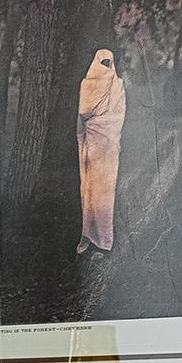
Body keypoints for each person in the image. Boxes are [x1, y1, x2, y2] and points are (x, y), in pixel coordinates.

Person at [75, 47, 126, 253]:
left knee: (105, 191)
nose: (105, 67)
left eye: (108, 63)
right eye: (102, 63)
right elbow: (83, 112)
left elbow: (119, 116)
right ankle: (87, 234)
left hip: (109, 146)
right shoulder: (87, 85)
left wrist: (100, 124)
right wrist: (92, 126)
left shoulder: (118, 86)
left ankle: (104, 239)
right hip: (92, 146)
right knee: (88, 188)